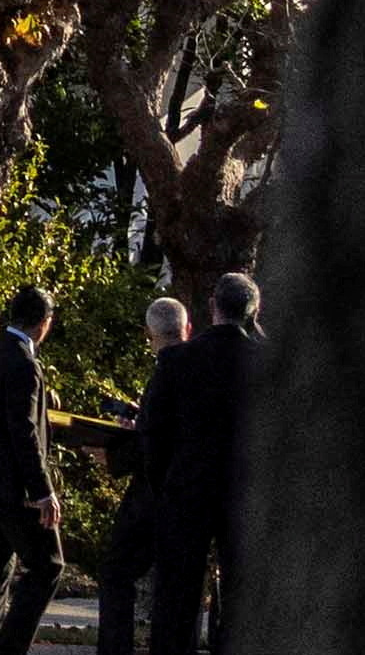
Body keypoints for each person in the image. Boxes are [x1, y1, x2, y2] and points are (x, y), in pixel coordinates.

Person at [136, 272, 261, 655]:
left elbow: (152, 430)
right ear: (254, 310)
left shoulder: (177, 359)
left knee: (177, 593)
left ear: (212, 306)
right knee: (241, 594)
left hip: (186, 487)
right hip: (244, 491)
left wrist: (164, 481)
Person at [0, 285, 64, 655]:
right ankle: (8, 647)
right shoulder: (24, 363)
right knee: (47, 565)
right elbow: (23, 431)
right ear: (43, 323)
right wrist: (43, 490)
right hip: (13, 483)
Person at [92, 298, 190, 655]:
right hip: (187, 495)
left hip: (151, 496)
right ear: (187, 329)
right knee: (177, 583)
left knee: (116, 573)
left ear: (150, 334)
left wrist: (116, 454)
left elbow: (153, 442)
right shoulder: (198, 371)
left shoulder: (166, 371)